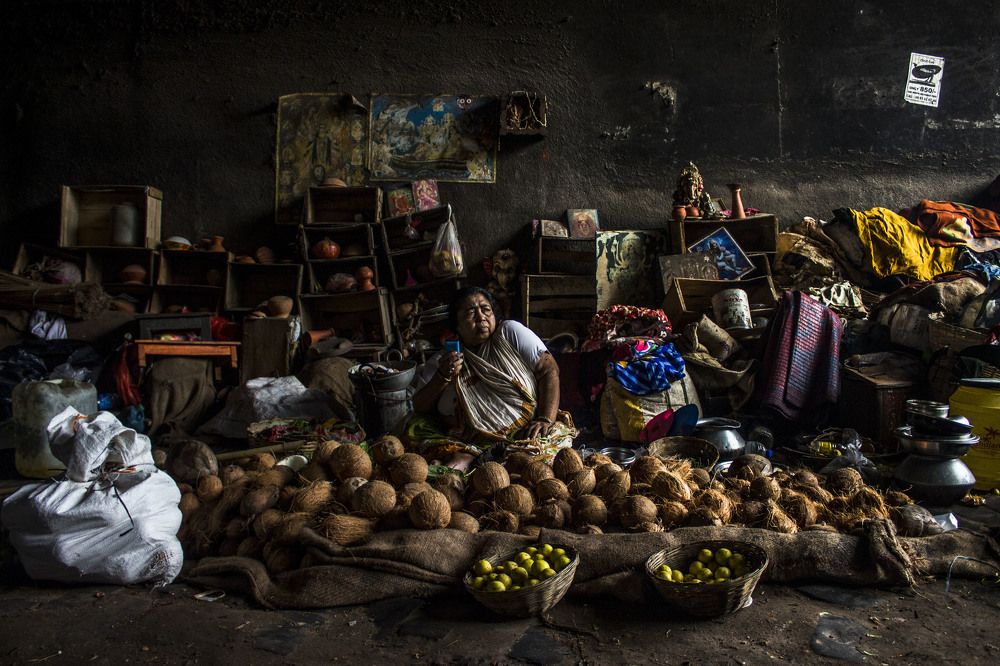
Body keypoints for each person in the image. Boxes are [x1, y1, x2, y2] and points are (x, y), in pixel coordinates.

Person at [411, 287, 560, 443]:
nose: (481, 317)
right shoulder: (444, 360)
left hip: (527, 434)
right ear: (456, 324)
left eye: (485, 309)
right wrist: (442, 376)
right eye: (470, 312)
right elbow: (420, 407)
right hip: (467, 442)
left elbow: (549, 370)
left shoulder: (509, 333)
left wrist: (545, 419)